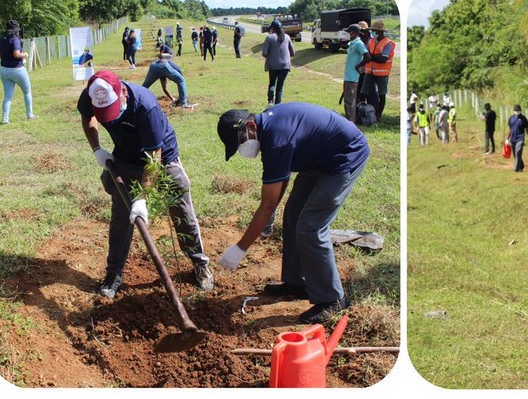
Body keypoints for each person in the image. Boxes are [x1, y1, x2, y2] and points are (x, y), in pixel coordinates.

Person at [216, 102, 370, 323]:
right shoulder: (268, 129)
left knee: (311, 227)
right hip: (318, 157)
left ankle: (333, 299)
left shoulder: (276, 140)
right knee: (293, 216)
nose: (242, 147)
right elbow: (280, 180)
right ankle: (297, 282)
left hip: (344, 156)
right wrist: (271, 210)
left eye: (240, 141)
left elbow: (267, 204)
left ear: (250, 126)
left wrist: (240, 248)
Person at [78, 70, 214, 298]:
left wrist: (141, 199)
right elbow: (86, 115)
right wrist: (97, 149)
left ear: (122, 91)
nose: (109, 116)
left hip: (162, 155)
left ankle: (199, 263)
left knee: (180, 206)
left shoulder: (145, 105)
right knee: (121, 214)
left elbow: (154, 156)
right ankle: (114, 273)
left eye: (111, 107)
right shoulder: (92, 94)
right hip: (125, 156)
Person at [0, 19, 35, 123]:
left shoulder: (1, 39)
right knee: (27, 92)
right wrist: (25, 55)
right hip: (17, 69)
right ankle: (30, 114)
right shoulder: (15, 39)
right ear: (16, 29)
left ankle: (5, 119)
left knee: (7, 96)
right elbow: (17, 54)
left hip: (4, 70)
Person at [361, 20, 395, 122]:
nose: (372, 32)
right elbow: (367, 55)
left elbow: (383, 59)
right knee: (363, 93)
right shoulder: (370, 42)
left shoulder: (388, 43)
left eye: (374, 31)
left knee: (382, 95)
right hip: (369, 72)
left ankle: (378, 115)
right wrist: (374, 57)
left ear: (380, 32)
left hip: (382, 74)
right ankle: (363, 112)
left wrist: (371, 57)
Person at [262, 20, 295, 105]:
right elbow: (292, 52)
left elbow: (264, 53)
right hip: (285, 66)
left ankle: (270, 101)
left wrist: (271, 57)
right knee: (280, 87)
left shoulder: (270, 37)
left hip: (273, 65)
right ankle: (278, 104)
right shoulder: (287, 37)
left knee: (272, 83)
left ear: (272, 28)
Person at [343, 24, 369, 122]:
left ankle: (351, 123)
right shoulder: (352, 43)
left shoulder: (359, 43)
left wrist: (358, 66)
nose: (347, 34)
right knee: (347, 100)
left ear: (353, 33)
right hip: (347, 76)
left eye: (349, 32)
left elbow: (367, 57)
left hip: (352, 77)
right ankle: (348, 121)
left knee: (350, 101)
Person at [507, 105, 528, 172]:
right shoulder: (511, 118)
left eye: (518, 110)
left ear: (520, 111)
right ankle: (521, 166)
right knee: (515, 154)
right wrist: (507, 139)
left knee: (518, 153)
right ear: (514, 111)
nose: (517, 112)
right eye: (516, 111)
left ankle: (516, 169)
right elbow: (509, 129)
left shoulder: (523, 118)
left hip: (520, 138)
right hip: (512, 139)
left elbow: (527, 129)